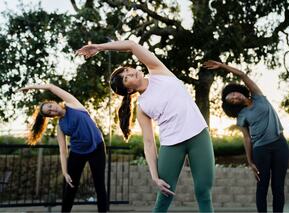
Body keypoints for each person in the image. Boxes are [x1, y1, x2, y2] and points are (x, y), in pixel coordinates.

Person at [76, 40, 215, 212]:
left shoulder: (158, 70)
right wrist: (155, 176)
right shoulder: (142, 107)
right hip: (171, 145)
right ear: (128, 90)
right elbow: (149, 142)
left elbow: (132, 45)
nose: (131, 73)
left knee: (203, 192)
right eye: (126, 79)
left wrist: (99, 47)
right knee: (164, 197)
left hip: (198, 136)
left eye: (127, 70)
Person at [203, 60, 289, 212]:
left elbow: (242, 75)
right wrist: (250, 161)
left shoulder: (258, 96)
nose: (236, 98)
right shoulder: (241, 116)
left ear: (237, 90)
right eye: (233, 100)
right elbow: (247, 138)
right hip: (261, 149)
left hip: (280, 145)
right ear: (234, 105)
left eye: (234, 94)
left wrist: (223, 66)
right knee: (262, 186)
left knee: (278, 186)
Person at [18, 84, 107, 212]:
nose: (52, 110)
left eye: (50, 107)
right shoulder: (61, 127)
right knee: (70, 187)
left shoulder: (73, 104)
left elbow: (50, 87)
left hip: (96, 148)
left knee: (100, 186)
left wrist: (30, 87)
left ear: (53, 102)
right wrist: (65, 172)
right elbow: (63, 150)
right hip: (77, 153)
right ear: (51, 116)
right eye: (49, 113)